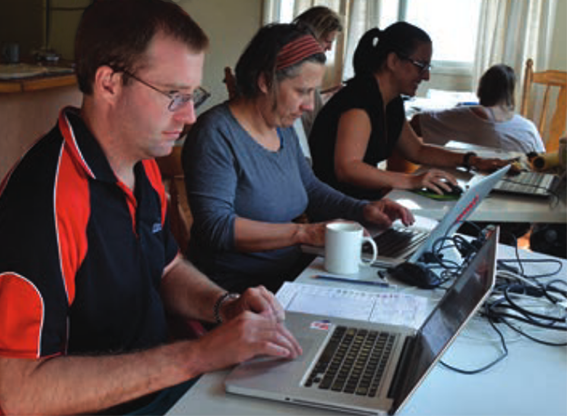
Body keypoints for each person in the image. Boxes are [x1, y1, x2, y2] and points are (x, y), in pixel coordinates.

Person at [0, 1, 302, 415]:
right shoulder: (41, 201)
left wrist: (224, 306)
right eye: (174, 96)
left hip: (163, 391)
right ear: (109, 83)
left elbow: (165, 267)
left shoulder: (140, 164)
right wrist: (197, 355)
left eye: (193, 96)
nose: (191, 116)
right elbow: (16, 391)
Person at [182, 24, 414, 294]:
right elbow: (217, 227)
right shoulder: (216, 134)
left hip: (289, 273)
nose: (310, 105)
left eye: (313, 92)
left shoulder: (281, 127)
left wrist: (363, 209)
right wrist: (303, 233)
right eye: (302, 91)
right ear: (265, 81)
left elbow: (310, 188)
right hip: (237, 291)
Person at [308, 22, 511, 200]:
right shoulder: (359, 100)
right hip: (336, 208)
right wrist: (411, 181)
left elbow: (417, 150)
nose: (426, 76)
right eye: (421, 65)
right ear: (393, 61)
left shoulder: (391, 100)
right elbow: (347, 169)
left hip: (361, 201)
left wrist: (471, 160)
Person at [411, 64, 546, 154]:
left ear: (482, 87)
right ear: (511, 93)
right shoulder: (528, 126)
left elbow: (416, 123)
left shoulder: (467, 115)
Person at [293, 6, 344, 136]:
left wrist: (326, 95)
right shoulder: (300, 66)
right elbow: (308, 117)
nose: (330, 48)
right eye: (327, 41)